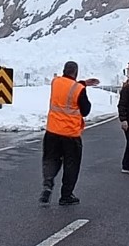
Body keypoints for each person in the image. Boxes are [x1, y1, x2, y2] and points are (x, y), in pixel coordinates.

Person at [39, 60, 92, 206]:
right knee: (71, 165)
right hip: (70, 134)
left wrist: (83, 83)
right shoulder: (78, 89)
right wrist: (83, 86)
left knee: (50, 159)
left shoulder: (55, 82)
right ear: (75, 72)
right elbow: (85, 110)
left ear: (64, 70)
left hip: (52, 131)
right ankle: (66, 195)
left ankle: (48, 184)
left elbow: (67, 86)